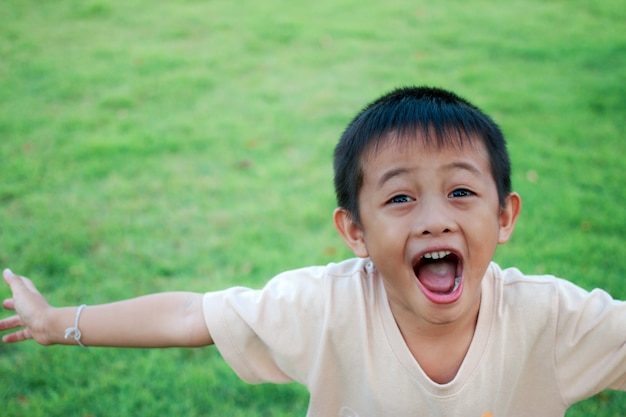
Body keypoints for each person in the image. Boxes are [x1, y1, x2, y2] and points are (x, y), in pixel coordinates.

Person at [1, 86, 625, 416]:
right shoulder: (323, 305)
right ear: (354, 231)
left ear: (504, 215)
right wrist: (60, 324)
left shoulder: (553, 319)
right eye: (401, 198)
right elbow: (192, 316)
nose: (435, 219)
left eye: (461, 191)